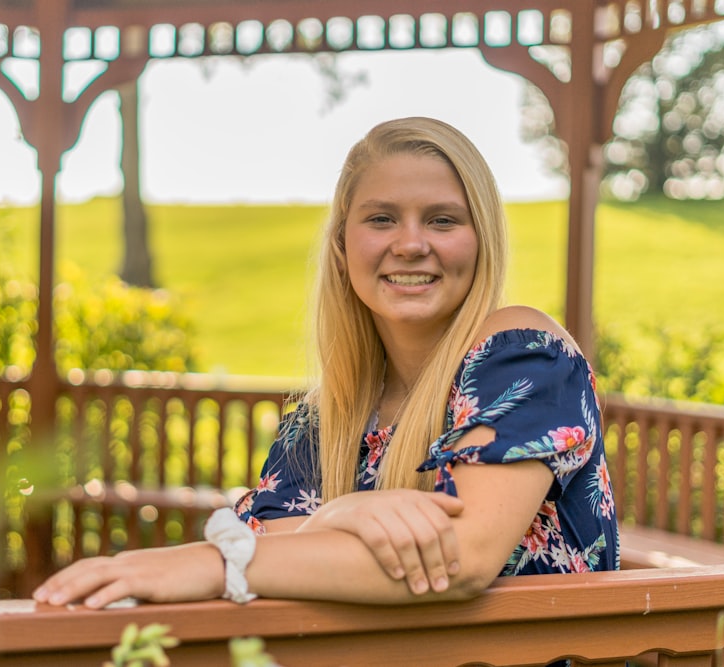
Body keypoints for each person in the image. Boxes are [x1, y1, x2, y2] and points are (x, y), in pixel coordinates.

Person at [33, 117, 619, 610]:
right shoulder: (327, 417)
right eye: (382, 219)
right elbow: (275, 542)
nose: (411, 243)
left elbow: (460, 557)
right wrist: (344, 513)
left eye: (442, 219)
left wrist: (215, 564)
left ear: (481, 239)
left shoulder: (524, 352)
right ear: (342, 246)